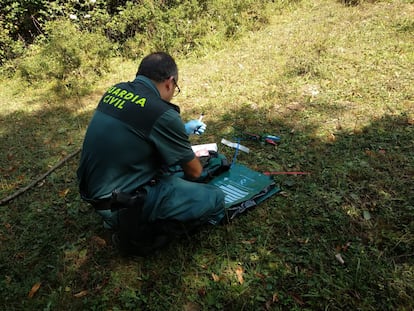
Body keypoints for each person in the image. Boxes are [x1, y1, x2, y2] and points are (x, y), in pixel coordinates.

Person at [77, 52, 226, 255]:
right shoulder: (163, 113)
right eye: (176, 88)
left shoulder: (116, 90)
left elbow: (137, 132)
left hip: (97, 193)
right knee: (214, 197)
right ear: (169, 82)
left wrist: (181, 130)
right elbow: (195, 173)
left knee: (190, 166)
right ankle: (141, 237)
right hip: (123, 205)